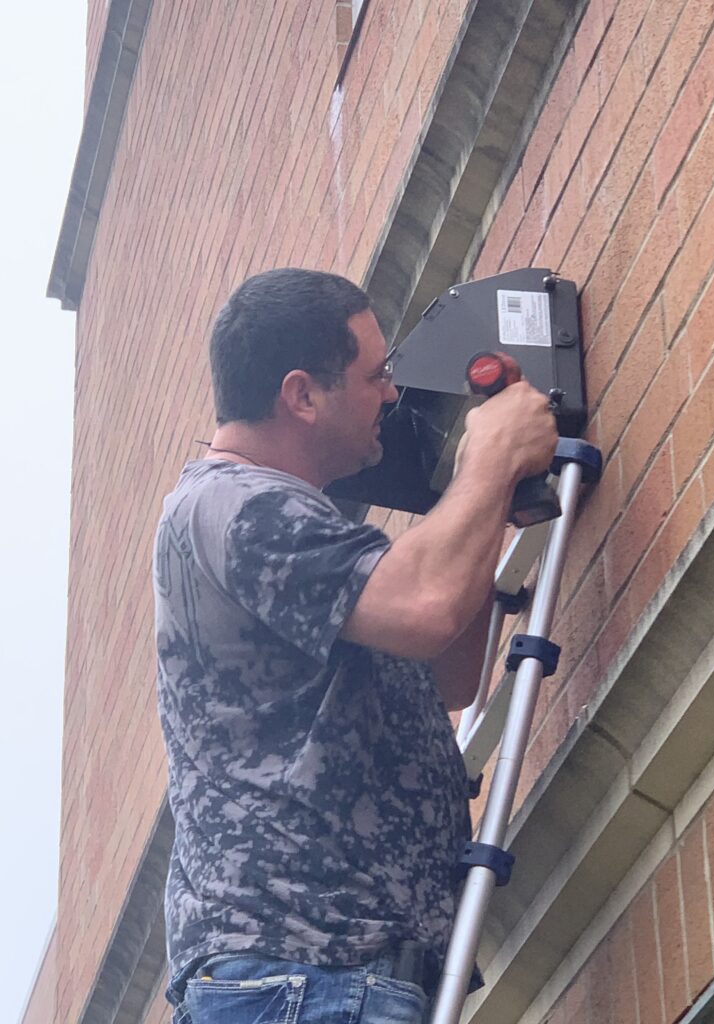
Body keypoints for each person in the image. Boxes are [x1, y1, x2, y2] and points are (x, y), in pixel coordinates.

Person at [154, 267, 557, 1024]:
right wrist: (489, 458)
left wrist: (474, 499)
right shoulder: (231, 504)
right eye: (376, 375)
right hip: (307, 977)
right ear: (302, 395)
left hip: (333, 980)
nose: (393, 395)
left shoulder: (298, 528)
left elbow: (446, 674)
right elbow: (427, 606)